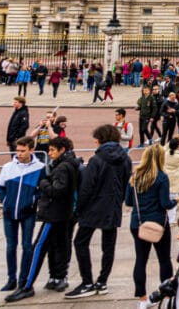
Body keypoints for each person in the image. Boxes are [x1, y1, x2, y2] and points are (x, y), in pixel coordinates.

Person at [7, 135, 81, 302]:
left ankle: (27, 285)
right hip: (63, 213)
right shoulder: (69, 164)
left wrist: (43, 183)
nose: (50, 153)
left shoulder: (63, 167)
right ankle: (58, 277)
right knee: (59, 246)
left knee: (38, 248)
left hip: (55, 214)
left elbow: (57, 190)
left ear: (62, 150)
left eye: (52, 150)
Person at [66, 124, 131, 299]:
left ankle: (87, 282)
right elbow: (126, 183)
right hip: (113, 206)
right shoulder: (126, 158)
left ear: (101, 139)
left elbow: (87, 187)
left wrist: (79, 209)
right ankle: (102, 281)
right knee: (108, 246)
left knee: (80, 242)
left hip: (93, 207)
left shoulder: (97, 160)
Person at [125, 144, 176, 308]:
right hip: (158, 223)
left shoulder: (135, 177)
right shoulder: (161, 177)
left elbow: (128, 202)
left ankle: (142, 298)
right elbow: (165, 203)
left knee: (141, 259)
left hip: (138, 223)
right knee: (164, 259)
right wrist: (176, 201)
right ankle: (167, 296)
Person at [0, 137, 45, 293]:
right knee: (11, 246)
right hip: (9, 212)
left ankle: (23, 279)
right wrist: (5, 202)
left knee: (27, 246)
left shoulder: (40, 167)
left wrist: (31, 200)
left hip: (27, 213)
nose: (19, 154)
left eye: (23, 151)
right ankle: (11, 279)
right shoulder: (8, 166)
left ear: (31, 150)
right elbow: (0, 187)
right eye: (17, 150)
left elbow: (42, 189)